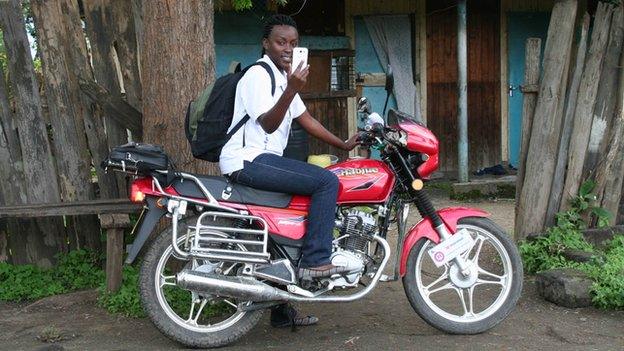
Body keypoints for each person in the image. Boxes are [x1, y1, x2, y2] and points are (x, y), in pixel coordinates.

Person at [219, 14, 359, 327]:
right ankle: (316, 262)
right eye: (281, 42)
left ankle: (282, 310)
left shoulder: (283, 78)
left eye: (293, 43)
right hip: (247, 160)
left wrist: (344, 145)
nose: (288, 48)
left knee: (292, 217)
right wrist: (292, 88)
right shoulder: (258, 75)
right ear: (265, 44)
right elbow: (268, 122)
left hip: (261, 160)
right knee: (325, 182)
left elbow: (306, 119)